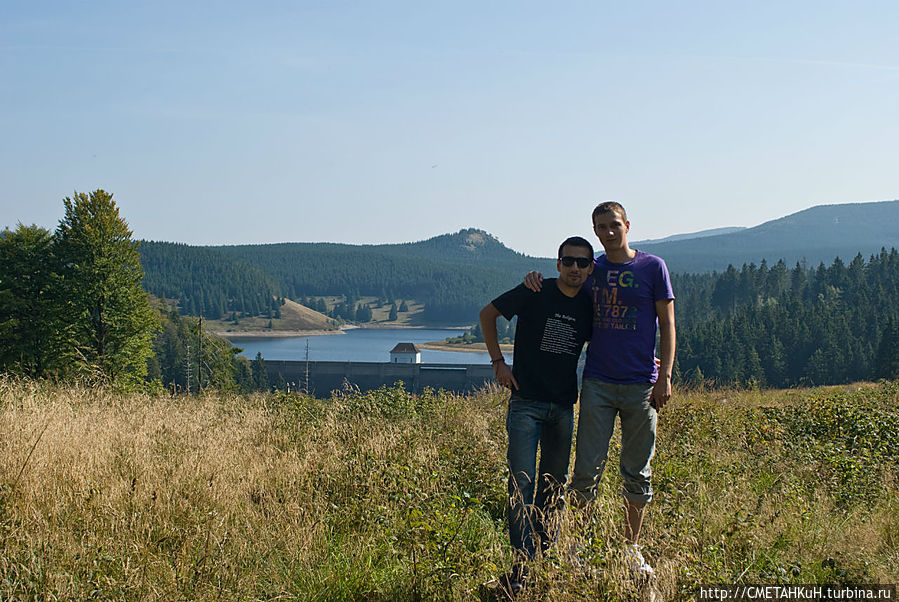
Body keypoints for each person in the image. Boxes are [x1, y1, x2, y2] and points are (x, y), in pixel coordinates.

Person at [524, 201, 675, 576]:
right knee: (585, 473)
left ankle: (631, 549)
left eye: (614, 225)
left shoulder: (653, 267)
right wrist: (533, 280)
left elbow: (668, 324)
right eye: (601, 227)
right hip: (597, 384)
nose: (608, 232)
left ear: (627, 225)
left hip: (641, 385)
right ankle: (580, 547)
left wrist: (665, 376)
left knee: (637, 472)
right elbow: (565, 289)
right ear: (594, 231)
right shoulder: (592, 269)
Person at [480, 236, 595, 596]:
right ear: (558, 263)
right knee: (521, 485)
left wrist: (648, 363)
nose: (574, 268)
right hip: (526, 404)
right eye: (568, 261)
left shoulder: (589, 304)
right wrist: (498, 363)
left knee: (553, 487)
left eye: (582, 262)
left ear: (590, 268)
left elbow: (611, 342)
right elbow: (487, 315)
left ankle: (545, 560)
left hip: (563, 407)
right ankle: (522, 567)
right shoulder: (534, 290)